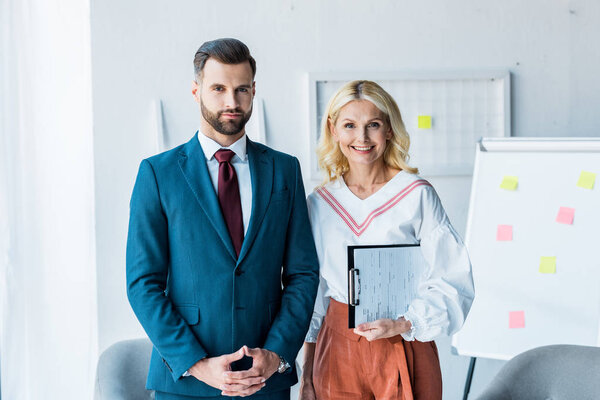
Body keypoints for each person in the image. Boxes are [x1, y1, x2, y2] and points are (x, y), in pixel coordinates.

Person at [126, 38, 319, 400]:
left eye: (241, 89)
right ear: (196, 90)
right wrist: (198, 364)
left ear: (253, 91)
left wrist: (276, 355)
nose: (231, 102)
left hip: (264, 382)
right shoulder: (158, 173)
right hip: (184, 383)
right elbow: (143, 284)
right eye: (218, 89)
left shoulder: (284, 170)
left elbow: (303, 274)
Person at [299, 80, 475, 400]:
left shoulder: (415, 194)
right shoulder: (319, 203)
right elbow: (314, 295)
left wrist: (406, 323)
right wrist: (308, 374)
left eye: (374, 125)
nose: (362, 138)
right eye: (350, 125)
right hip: (337, 345)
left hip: (405, 339)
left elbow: (453, 279)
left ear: (389, 130)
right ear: (334, 130)